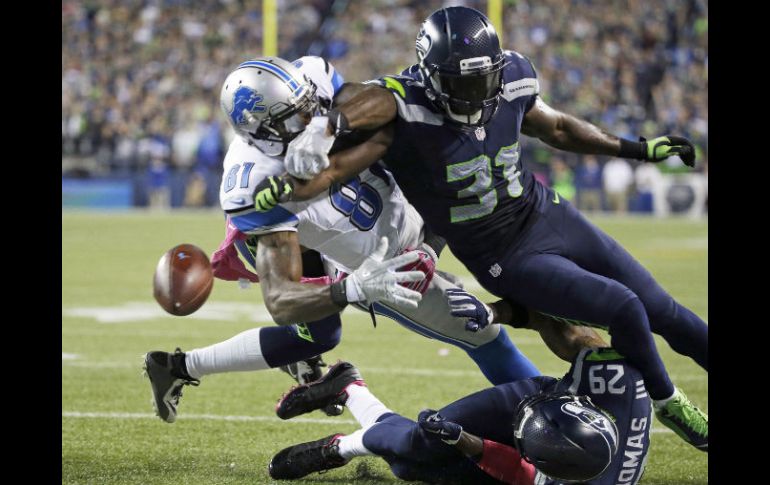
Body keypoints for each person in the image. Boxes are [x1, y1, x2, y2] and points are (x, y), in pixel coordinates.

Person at [272, 6, 707, 450]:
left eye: (483, 79)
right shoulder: (406, 104)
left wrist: (637, 149)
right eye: (461, 83)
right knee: (625, 306)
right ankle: (668, 401)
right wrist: (320, 134)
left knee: (665, 310)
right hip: (504, 255)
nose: (476, 94)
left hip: (546, 214)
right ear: (430, 75)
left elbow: (556, 127)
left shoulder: (513, 76)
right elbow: (355, 98)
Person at [143, 55, 540, 424]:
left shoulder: (315, 83)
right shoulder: (255, 183)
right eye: (292, 117)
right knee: (483, 333)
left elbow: (376, 107)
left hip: (391, 217)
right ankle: (556, 418)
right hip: (363, 259)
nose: (307, 116)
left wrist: (326, 125)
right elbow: (281, 299)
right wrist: (352, 288)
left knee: (319, 334)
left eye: (307, 104)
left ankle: (182, 366)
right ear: (261, 133)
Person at [267, 307, 651, 485]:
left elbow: (517, 470)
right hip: (540, 398)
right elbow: (554, 320)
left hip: (554, 432)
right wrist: (500, 312)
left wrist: (460, 438)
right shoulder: (621, 381)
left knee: (410, 467)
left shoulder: (559, 474)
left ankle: (349, 387)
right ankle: (340, 448)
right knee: (417, 440)